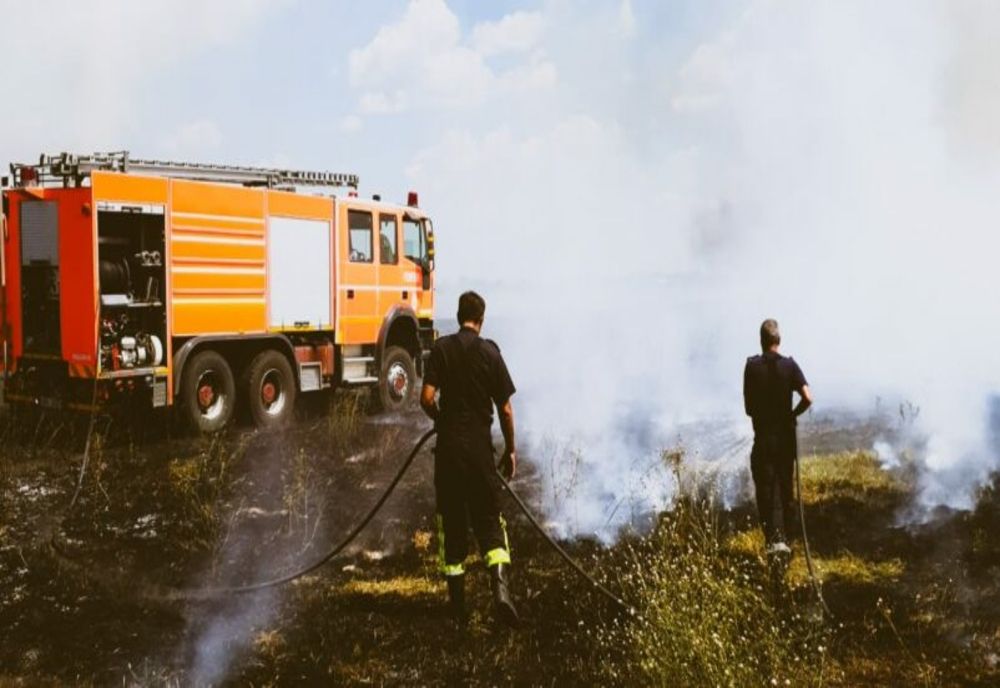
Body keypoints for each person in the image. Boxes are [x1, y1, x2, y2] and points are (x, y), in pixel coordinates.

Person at [420, 291, 519, 626]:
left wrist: (441, 420)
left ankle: (459, 609)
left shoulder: (441, 349)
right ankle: (502, 595)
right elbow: (505, 410)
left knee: (453, 527)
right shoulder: (490, 352)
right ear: (481, 318)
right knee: (490, 523)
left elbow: (426, 397)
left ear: (459, 314)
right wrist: (510, 450)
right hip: (480, 454)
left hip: (448, 454)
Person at [743, 319, 813, 560]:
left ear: (762, 341)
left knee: (765, 488)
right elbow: (808, 397)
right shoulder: (790, 366)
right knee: (785, 489)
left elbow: (749, 408)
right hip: (785, 439)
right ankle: (787, 543)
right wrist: (792, 414)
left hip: (763, 438)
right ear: (778, 340)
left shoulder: (751, 367)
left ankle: (773, 542)